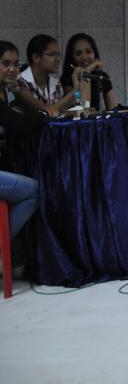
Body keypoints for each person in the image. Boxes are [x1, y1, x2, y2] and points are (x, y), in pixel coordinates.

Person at [0, 41, 42, 244]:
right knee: (35, 191)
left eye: (16, 64)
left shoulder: (5, 92)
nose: (13, 69)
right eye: (6, 63)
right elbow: (18, 124)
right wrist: (43, 114)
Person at [14, 34, 80, 117]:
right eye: (52, 54)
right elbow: (47, 111)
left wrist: (77, 91)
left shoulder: (56, 83)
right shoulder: (18, 81)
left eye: (58, 55)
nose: (58, 59)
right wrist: (76, 90)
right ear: (36, 58)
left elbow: (62, 112)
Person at [60, 33, 117, 111]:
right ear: (72, 57)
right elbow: (84, 106)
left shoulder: (101, 76)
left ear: (94, 53)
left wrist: (87, 71)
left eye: (88, 51)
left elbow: (113, 109)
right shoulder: (67, 77)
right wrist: (87, 71)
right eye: (78, 53)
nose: (84, 57)